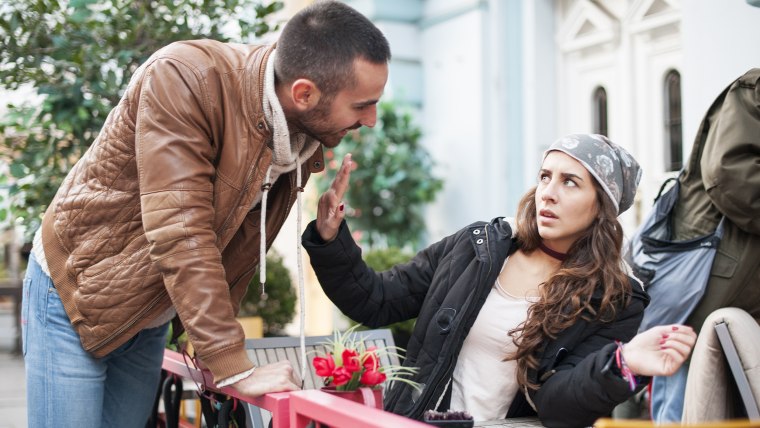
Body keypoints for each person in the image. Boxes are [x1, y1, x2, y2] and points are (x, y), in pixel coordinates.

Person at [21, 1, 391, 427]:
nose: (372, 120)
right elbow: (182, 230)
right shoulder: (184, 76)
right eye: (363, 105)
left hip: (149, 310)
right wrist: (231, 363)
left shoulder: (299, 136)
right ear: (304, 93)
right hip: (78, 294)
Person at [303, 134, 697, 427]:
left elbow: (558, 407)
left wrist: (622, 363)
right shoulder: (479, 247)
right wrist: (329, 238)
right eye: (545, 177)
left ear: (602, 207)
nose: (549, 193)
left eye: (570, 182)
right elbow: (377, 300)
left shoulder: (614, 299)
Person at [647, 68, 760, 422]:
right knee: (684, 386)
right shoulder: (753, 88)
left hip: (733, 274)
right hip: (710, 272)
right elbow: (728, 175)